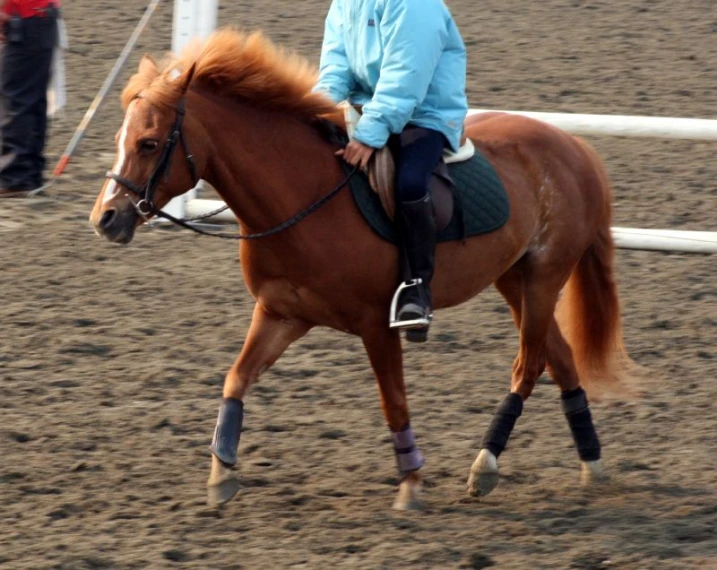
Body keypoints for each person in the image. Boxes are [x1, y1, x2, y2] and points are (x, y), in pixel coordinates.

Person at [313, 0, 468, 337]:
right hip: (367, 108)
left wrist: (370, 133)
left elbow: (406, 74)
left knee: (410, 183)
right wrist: (315, 108)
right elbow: (336, 64)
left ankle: (417, 289)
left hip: (424, 113)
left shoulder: (415, 4)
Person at [0, 0, 60, 198]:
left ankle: (16, 177)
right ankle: (28, 175)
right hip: (39, 18)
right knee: (31, 99)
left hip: (26, 19)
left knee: (17, 99)